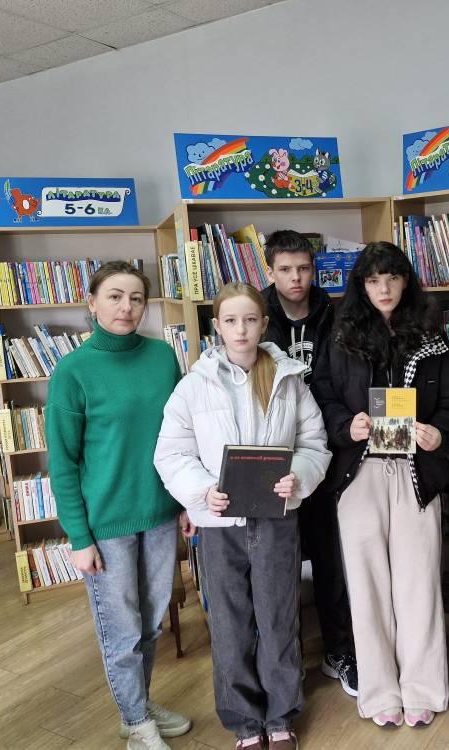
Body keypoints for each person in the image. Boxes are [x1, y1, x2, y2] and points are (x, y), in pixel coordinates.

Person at [154, 282, 331, 750]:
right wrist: (202, 491)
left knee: (278, 618)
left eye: (250, 320)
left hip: (276, 520)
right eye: (231, 321)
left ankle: (281, 716)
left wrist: (298, 476)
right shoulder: (193, 386)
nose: (241, 330)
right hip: (219, 526)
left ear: (264, 324)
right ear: (217, 326)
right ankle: (245, 723)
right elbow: (172, 454)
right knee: (230, 623)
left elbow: (314, 443)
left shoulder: (289, 380)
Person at [312, 241, 449, 729]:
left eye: (393, 278)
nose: (384, 289)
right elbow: (322, 397)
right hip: (359, 470)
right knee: (367, 584)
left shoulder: (431, 335)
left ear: (406, 281)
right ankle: (379, 691)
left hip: (416, 470)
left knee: (419, 580)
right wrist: (347, 426)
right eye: (374, 279)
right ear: (361, 284)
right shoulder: (339, 334)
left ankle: (422, 687)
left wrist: (440, 433)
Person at [46, 261, 191, 750]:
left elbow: (182, 437)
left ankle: (138, 706)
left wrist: (186, 501)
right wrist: (78, 537)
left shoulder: (162, 357)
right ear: (92, 303)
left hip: (161, 513)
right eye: (114, 296)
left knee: (150, 622)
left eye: (135, 298)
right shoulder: (73, 371)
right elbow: (63, 463)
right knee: (121, 628)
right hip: (106, 524)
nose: (126, 307)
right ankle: (135, 722)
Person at [260, 229, 357, 698]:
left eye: (303, 268)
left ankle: (340, 651)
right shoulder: (256, 316)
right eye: (285, 269)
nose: (296, 278)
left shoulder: (336, 314)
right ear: (270, 270)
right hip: (276, 452)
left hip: (328, 450)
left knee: (331, 558)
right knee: (277, 566)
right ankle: (285, 663)